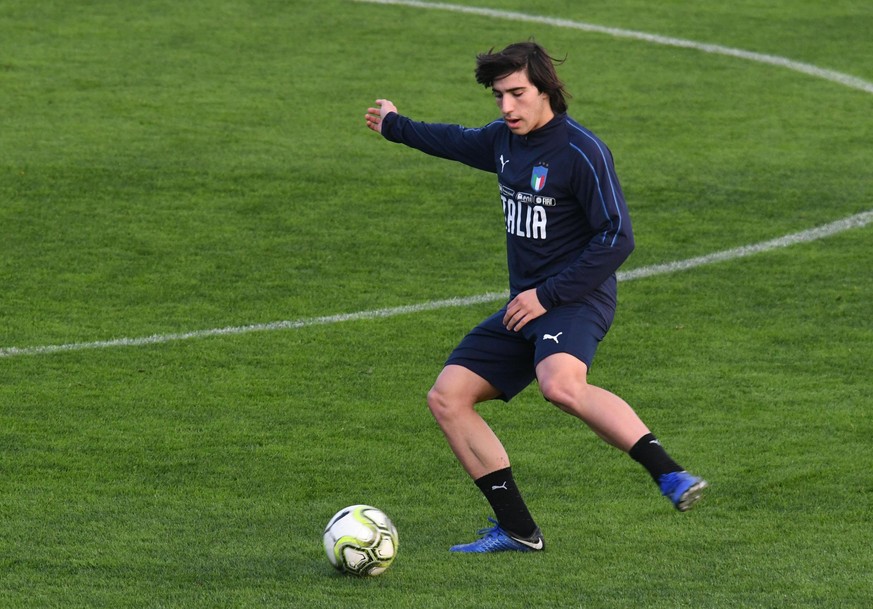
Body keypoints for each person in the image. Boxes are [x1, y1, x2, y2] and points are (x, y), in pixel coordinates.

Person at [364, 41, 707, 553]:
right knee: (448, 397)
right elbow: (452, 140)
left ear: (546, 88)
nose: (506, 107)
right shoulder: (504, 142)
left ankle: (670, 474)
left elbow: (617, 237)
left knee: (560, 385)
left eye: (517, 93)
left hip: (575, 299)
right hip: (528, 306)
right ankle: (518, 530)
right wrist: (395, 124)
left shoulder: (581, 152)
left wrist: (548, 296)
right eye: (499, 95)